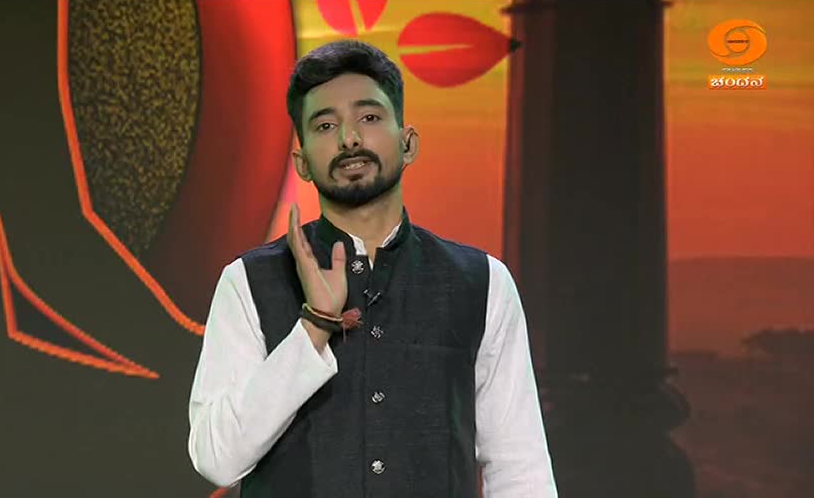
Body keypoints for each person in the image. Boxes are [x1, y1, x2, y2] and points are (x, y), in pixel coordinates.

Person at [187, 40, 557, 498]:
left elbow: (520, 470)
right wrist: (313, 328)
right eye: (325, 125)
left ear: (408, 143)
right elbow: (216, 458)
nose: (349, 139)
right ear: (302, 162)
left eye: (369, 117)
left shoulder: (481, 282)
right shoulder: (248, 281)